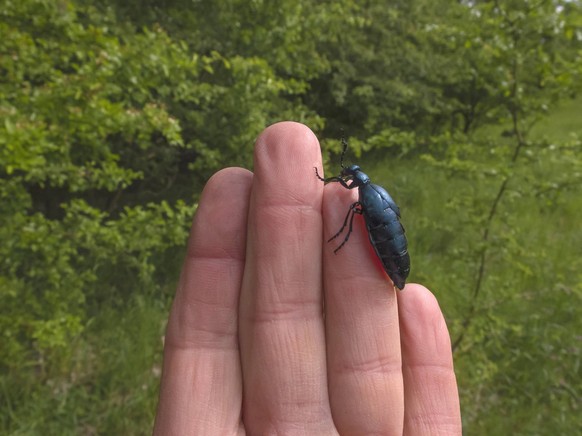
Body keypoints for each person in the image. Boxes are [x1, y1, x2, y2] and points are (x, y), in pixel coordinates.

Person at [153, 122, 462, 435]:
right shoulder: (371, 191)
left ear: (354, 177)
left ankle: (379, 261)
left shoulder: (363, 194)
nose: (346, 177)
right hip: (390, 242)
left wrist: (342, 233)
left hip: (386, 242)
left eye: (349, 174)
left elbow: (366, 221)